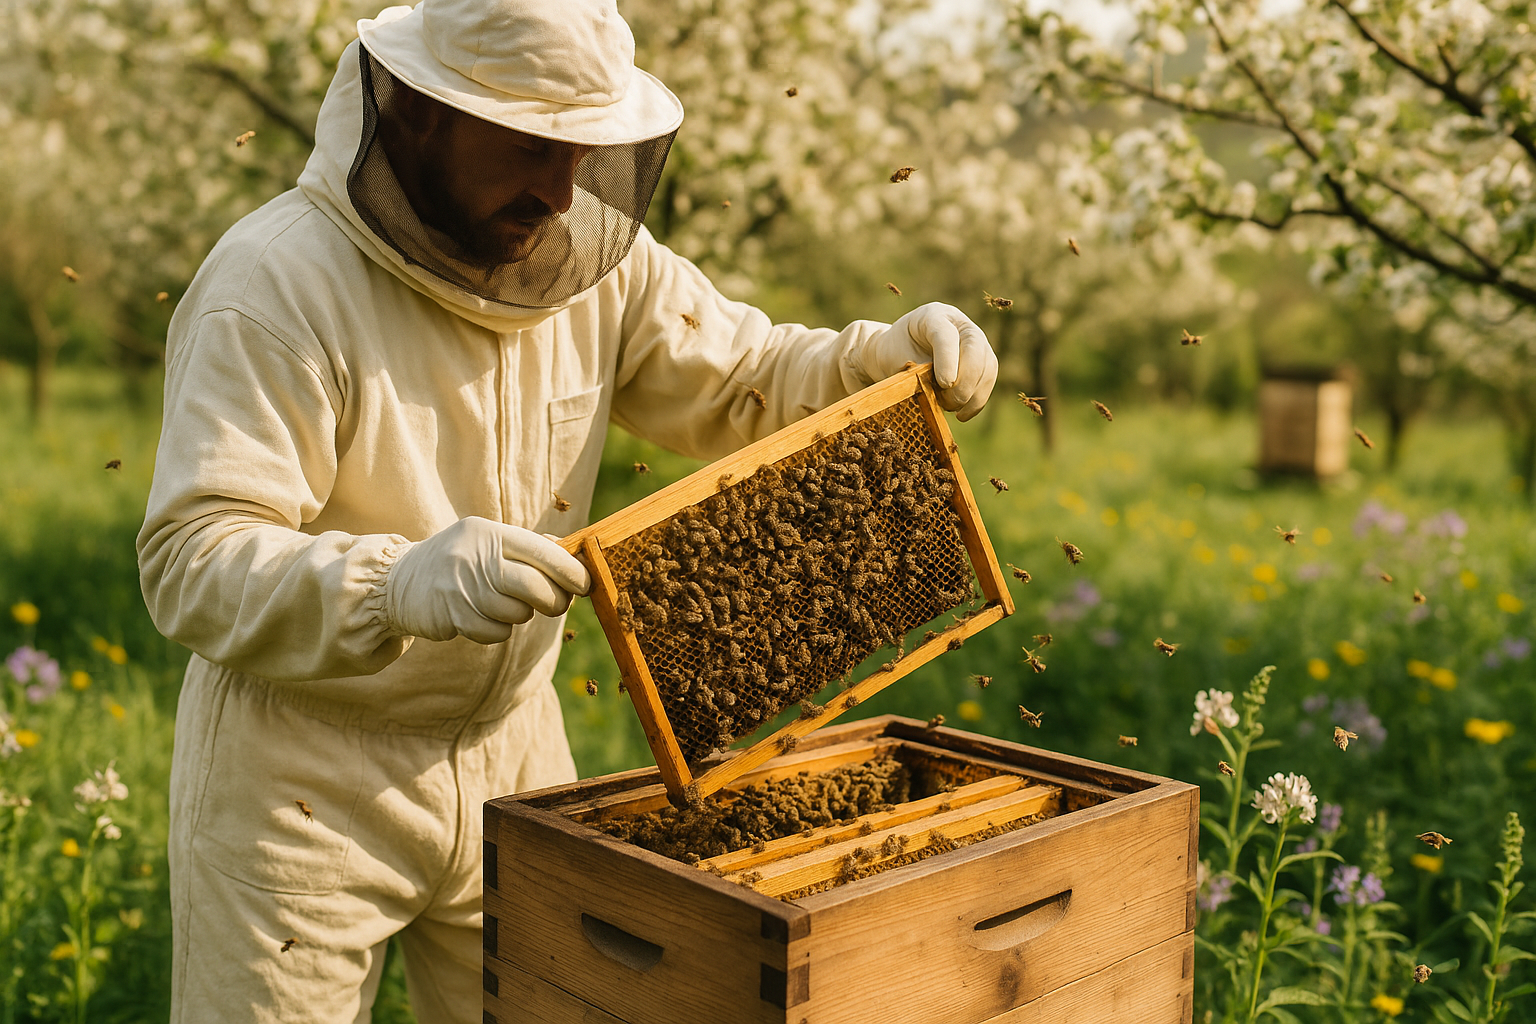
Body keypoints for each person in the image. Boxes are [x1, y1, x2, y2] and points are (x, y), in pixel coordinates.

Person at [136, 0, 998, 1019]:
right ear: (416, 111)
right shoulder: (276, 283)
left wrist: (875, 359)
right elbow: (191, 557)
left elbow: (747, 374)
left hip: (518, 749)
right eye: (530, 144)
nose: (559, 188)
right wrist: (393, 583)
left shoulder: (596, 264)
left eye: (583, 149)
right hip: (305, 775)